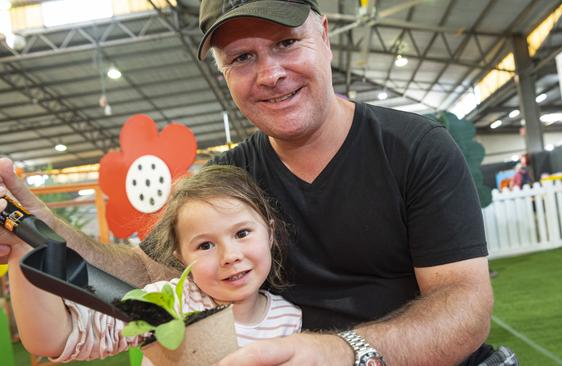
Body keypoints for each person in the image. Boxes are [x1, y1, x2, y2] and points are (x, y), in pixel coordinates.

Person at [0, 0, 497, 364]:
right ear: (223, 73)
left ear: (324, 36)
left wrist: (342, 351)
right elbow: (146, 276)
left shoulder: (416, 148)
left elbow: (464, 306)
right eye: (241, 58)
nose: (270, 73)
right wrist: (43, 229)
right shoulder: (228, 181)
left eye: (285, 43)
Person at [6, 165, 301, 362]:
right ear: (180, 257)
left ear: (270, 233)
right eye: (205, 245)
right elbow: (53, 339)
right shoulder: (165, 304)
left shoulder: (292, 319)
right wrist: (22, 245)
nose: (229, 255)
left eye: (242, 233)